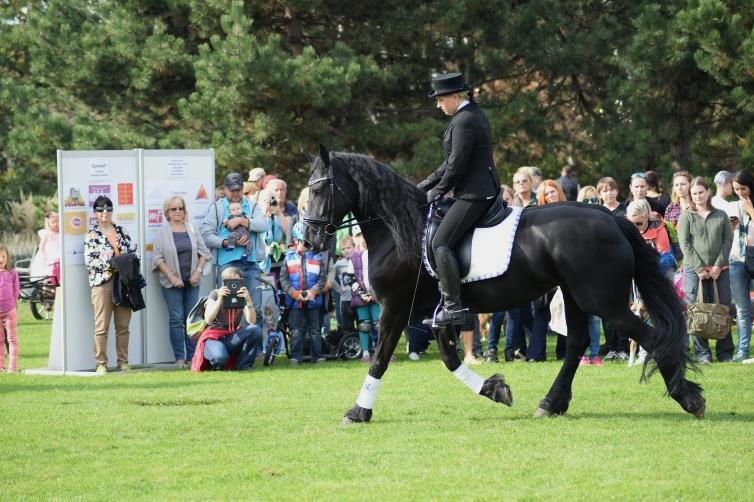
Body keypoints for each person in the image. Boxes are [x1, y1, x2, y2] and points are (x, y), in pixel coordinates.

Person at [416, 72, 500, 326]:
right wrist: (423, 186)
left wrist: (436, 192)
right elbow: (449, 163)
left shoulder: (465, 121)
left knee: (441, 241)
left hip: (475, 193)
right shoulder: (469, 115)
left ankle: (452, 306)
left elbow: (456, 167)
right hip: (477, 189)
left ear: (454, 96)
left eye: (441, 100)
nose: (438, 105)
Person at [678, 177, 735, 364]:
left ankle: (725, 352)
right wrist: (699, 268)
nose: (698, 196)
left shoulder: (721, 215)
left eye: (701, 192)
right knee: (697, 310)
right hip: (695, 271)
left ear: (708, 192)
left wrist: (718, 265)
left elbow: (727, 241)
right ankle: (703, 354)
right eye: (694, 193)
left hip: (721, 269)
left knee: (723, 308)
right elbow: (685, 244)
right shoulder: (687, 216)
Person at [201, 172, 267, 329]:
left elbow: (263, 225)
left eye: (238, 189)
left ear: (243, 188)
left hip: (251, 263)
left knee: (255, 307)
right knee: (230, 308)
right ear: (225, 190)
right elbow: (206, 236)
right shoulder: (216, 208)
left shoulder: (252, 206)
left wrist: (241, 220)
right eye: (232, 190)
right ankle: (231, 348)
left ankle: (254, 351)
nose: (236, 193)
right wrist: (225, 242)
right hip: (227, 266)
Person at [152, 196, 211, 368]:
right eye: (174, 209)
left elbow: (204, 252)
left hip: (192, 281)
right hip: (171, 284)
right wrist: (172, 276)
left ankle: (193, 357)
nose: (178, 211)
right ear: (167, 213)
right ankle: (179, 358)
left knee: (192, 319)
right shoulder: (161, 233)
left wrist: (198, 272)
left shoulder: (192, 229)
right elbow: (157, 258)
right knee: (176, 319)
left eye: (180, 208)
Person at [84, 196, 138, 374]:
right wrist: (116, 263)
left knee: (123, 326)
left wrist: (121, 263)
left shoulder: (122, 230)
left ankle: (123, 362)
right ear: (95, 213)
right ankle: (101, 363)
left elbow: (133, 251)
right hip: (102, 285)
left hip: (123, 283)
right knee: (101, 326)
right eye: (100, 209)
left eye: (108, 208)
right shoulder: (91, 235)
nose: (105, 212)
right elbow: (91, 262)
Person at [191, 267, 263, 371]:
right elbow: (208, 319)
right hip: (213, 337)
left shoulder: (241, 294)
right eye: (231, 281)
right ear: (224, 283)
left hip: (231, 336)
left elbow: (251, 321)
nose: (234, 285)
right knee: (220, 358)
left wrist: (248, 300)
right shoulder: (215, 293)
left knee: (255, 329)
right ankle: (216, 361)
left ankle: (244, 366)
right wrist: (220, 299)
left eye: (237, 282)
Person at [279, 222, 327, 365]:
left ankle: (317, 356)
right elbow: (284, 279)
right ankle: (295, 357)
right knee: (296, 330)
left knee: (315, 330)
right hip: (295, 302)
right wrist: (294, 293)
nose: (306, 245)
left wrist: (314, 291)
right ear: (295, 240)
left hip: (314, 300)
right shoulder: (288, 258)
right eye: (303, 242)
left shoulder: (317, 258)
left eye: (308, 242)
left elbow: (323, 279)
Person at [577, 186, 604, 366]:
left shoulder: (602, 222)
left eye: (594, 200)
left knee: (595, 318)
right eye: (587, 201)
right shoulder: (574, 224)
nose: (591, 204)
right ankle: (581, 355)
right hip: (578, 276)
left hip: (596, 276)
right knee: (579, 317)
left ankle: (594, 354)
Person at [729, 170, 754, 362]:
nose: (739, 193)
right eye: (736, 189)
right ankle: (742, 350)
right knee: (742, 308)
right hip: (737, 258)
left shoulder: (749, 204)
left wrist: (750, 209)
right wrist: (731, 226)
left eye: (743, 188)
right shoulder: (732, 205)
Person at [347, 228, 383, 363]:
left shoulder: (376, 253)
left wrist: (373, 294)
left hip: (375, 295)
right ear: (355, 239)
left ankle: (383, 351)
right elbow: (350, 278)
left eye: (363, 235)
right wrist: (363, 295)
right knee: (364, 325)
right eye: (359, 236)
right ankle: (365, 352)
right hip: (360, 297)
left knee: (379, 324)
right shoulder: (353, 257)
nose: (362, 239)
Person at [333, 235, 357, 355]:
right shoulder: (339, 264)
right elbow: (330, 277)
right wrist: (339, 289)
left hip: (359, 298)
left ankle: (365, 348)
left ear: (354, 247)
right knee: (347, 326)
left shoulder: (359, 260)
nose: (346, 250)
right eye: (343, 249)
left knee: (363, 324)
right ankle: (350, 349)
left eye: (348, 247)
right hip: (345, 299)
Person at [0, 244, 20, 372]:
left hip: (10, 311)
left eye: (3, 256)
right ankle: (1, 366)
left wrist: (12, 304)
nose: (1, 259)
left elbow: (16, 291)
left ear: (7, 258)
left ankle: (12, 367)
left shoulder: (12, 273)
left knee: (12, 339)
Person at [39, 211, 61, 286]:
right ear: (49, 223)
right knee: (51, 273)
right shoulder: (47, 234)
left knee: (59, 273)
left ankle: (58, 287)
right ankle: (50, 289)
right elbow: (41, 246)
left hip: (59, 256)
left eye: (57, 222)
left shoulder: (61, 233)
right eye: (53, 222)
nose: (56, 224)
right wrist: (44, 256)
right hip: (52, 256)